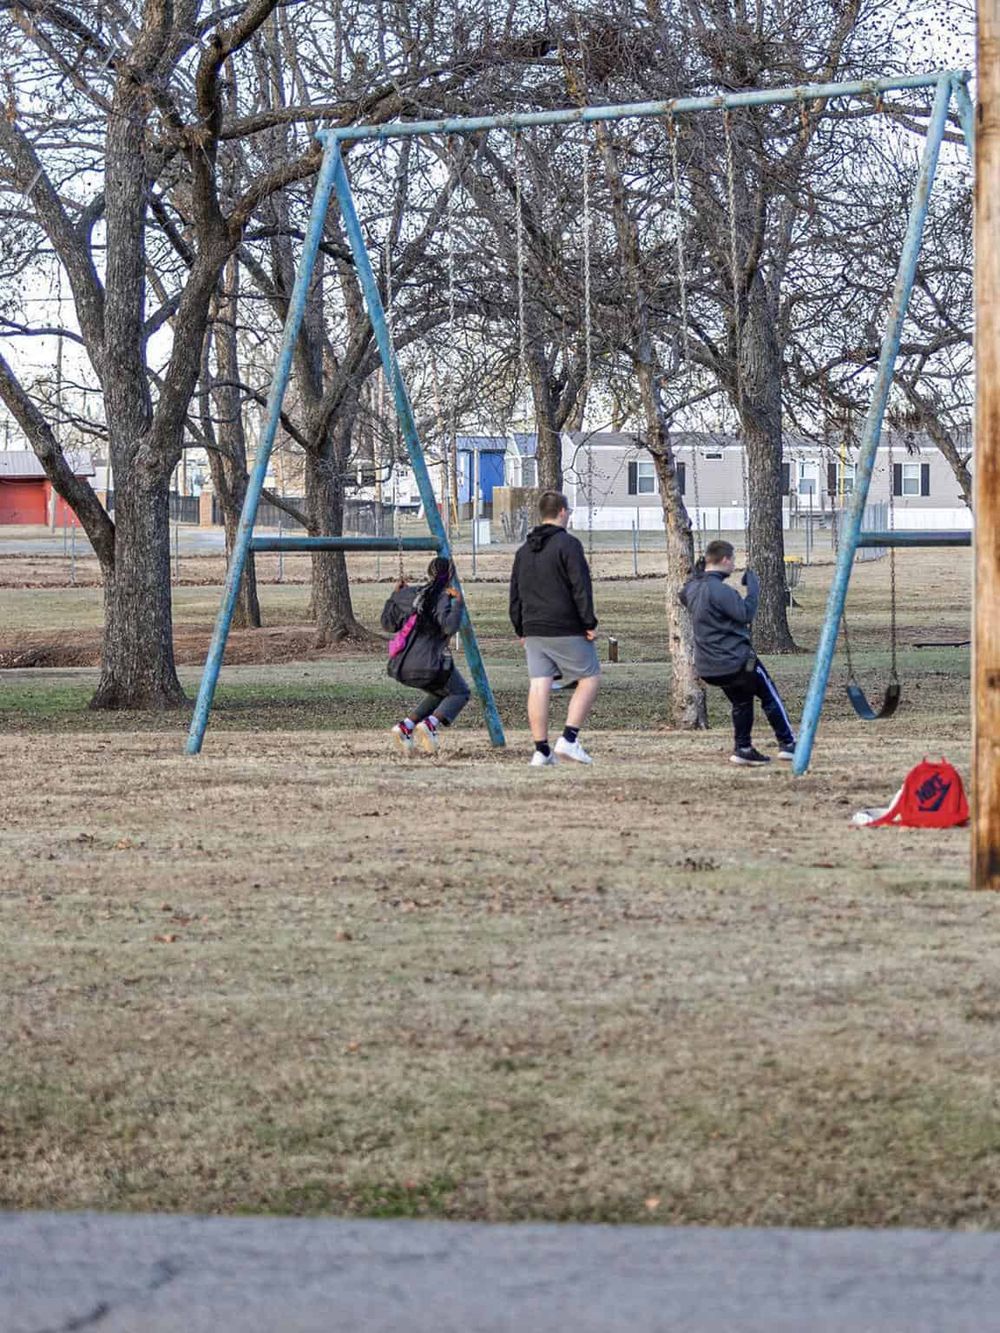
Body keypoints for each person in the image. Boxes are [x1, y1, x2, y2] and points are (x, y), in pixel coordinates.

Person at [680, 539, 796, 767]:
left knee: (742, 701)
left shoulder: (693, 588)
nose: (734, 565)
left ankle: (743, 748)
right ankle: (788, 743)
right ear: (724, 560)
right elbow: (745, 613)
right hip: (737, 661)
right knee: (769, 695)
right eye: (732, 560)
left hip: (709, 666)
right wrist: (753, 590)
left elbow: (684, 595)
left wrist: (696, 576)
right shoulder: (722, 591)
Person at [509, 489, 601, 766]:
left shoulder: (523, 551)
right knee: (590, 678)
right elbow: (580, 585)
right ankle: (569, 740)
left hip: (533, 627)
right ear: (562, 511)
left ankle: (541, 750)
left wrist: (520, 628)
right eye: (569, 510)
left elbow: (515, 593)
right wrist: (589, 622)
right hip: (565, 624)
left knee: (539, 685)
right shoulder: (568, 545)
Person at [381, 556, 470, 755]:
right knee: (460, 692)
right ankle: (430, 724)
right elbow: (449, 626)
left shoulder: (410, 595)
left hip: (401, 665)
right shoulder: (445, 597)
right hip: (429, 665)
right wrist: (457, 603)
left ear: (428, 573)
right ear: (452, 576)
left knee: (440, 693)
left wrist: (394, 595)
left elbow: (387, 623)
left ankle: (406, 726)